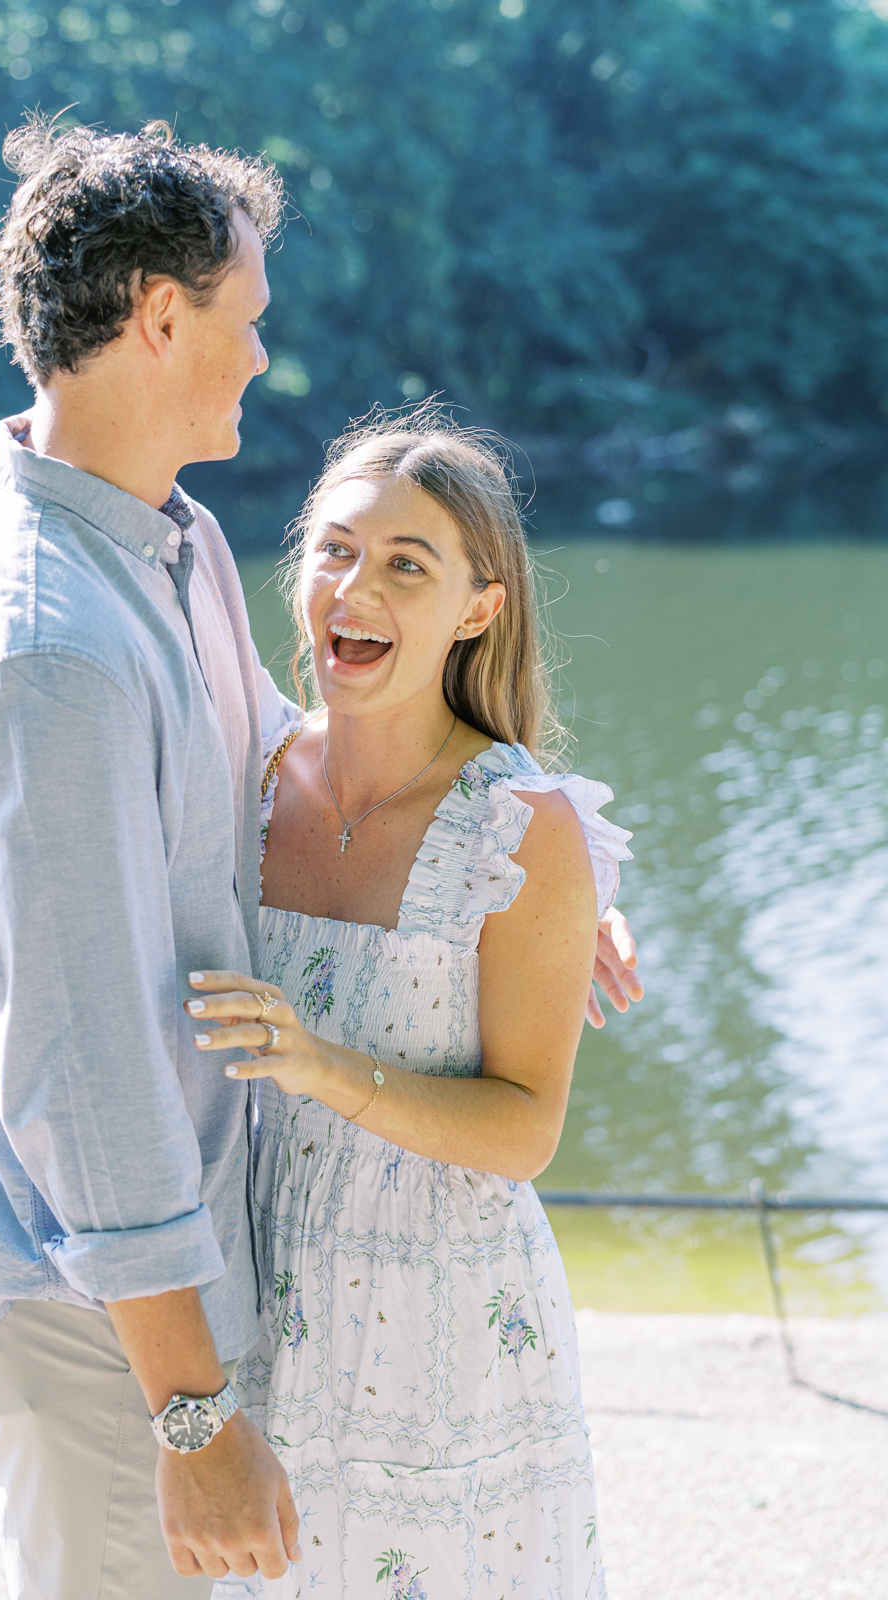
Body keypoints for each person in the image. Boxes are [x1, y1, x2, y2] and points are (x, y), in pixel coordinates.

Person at [0, 116, 642, 1600]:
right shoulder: (54, 650)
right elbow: (82, 1066)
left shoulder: (171, 549)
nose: (260, 359)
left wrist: (544, 875)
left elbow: (273, 756)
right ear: (162, 318)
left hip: (201, 1303)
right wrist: (193, 1411)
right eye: (247, 320)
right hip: (96, 1312)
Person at [184, 415, 630, 1599]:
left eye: (404, 564)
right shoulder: (246, 774)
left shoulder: (514, 827)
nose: (355, 588)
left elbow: (523, 1128)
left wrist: (319, 1065)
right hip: (271, 1300)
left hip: (451, 1330)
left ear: (477, 608)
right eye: (334, 551)